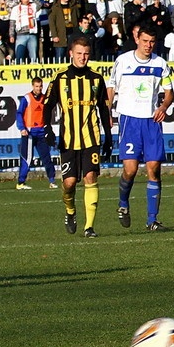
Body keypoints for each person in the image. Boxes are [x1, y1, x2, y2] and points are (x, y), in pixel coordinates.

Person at [42, 38, 112, 238]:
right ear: (71, 53)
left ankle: (89, 227)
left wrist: (107, 136)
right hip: (68, 139)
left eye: (86, 54)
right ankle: (70, 210)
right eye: (79, 53)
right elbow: (48, 105)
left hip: (91, 137)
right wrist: (47, 128)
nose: (83, 57)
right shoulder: (60, 78)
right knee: (70, 183)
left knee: (90, 177)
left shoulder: (97, 79)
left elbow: (103, 110)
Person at [107, 24, 174, 232]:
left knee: (154, 168)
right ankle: (123, 203)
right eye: (145, 41)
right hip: (129, 120)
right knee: (131, 169)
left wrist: (163, 106)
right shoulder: (123, 61)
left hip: (151, 121)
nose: (148, 45)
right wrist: (107, 111)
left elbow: (170, 92)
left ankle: (152, 219)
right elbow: (111, 88)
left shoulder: (160, 63)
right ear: (137, 39)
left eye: (152, 42)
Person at [15, 77, 57, 190]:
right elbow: (19, 113)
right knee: (27, 157)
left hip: (41, 132)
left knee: (46, 157)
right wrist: (21, 128)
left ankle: (52, 180)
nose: (38, 88)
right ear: (33, 86)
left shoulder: (45, 98)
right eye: (36, 86)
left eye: (40, 86)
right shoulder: (26, 98)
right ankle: (21, 182)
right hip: (29, 132)